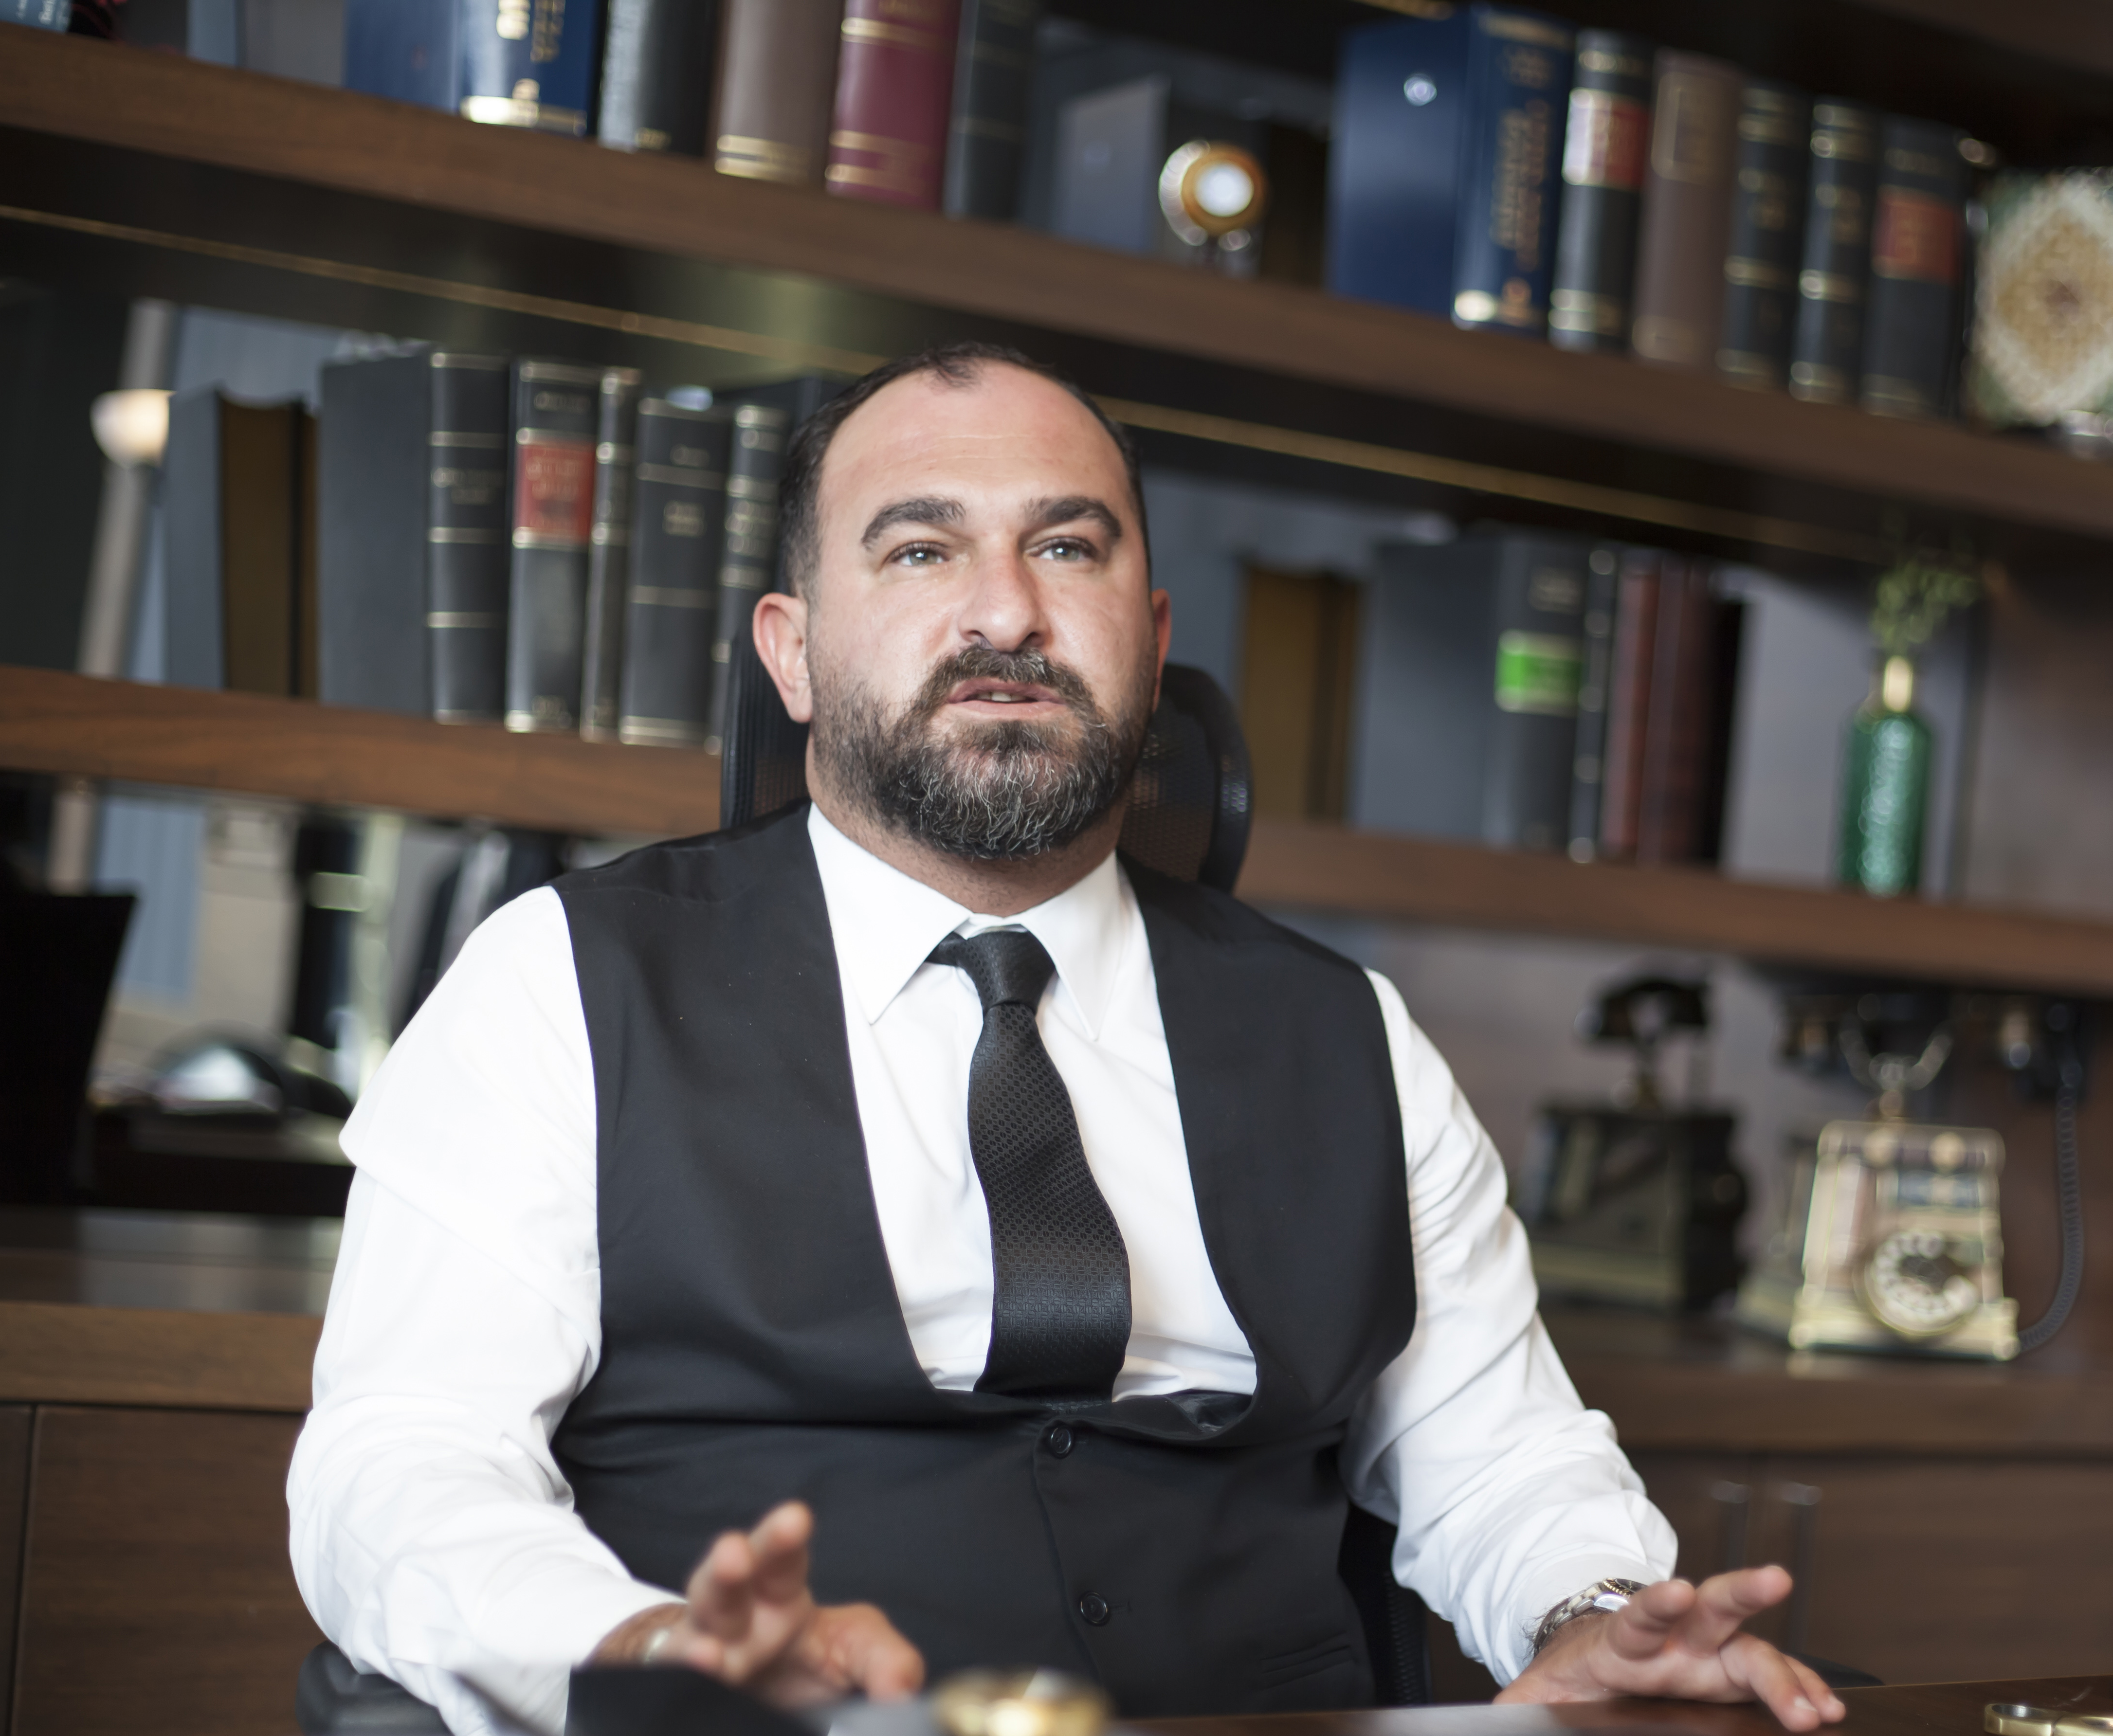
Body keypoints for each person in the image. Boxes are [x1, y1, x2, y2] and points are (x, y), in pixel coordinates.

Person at [288, 343, 1847, 1736]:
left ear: (1149, 637)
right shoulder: (561, 984)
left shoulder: (1346, 1035)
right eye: (921, 549)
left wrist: (1591, 1614)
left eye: (1067, 546)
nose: (1007, 613)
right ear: (791, 652)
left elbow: (1499, 1455)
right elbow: (403, 1466)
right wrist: (645, 1646)